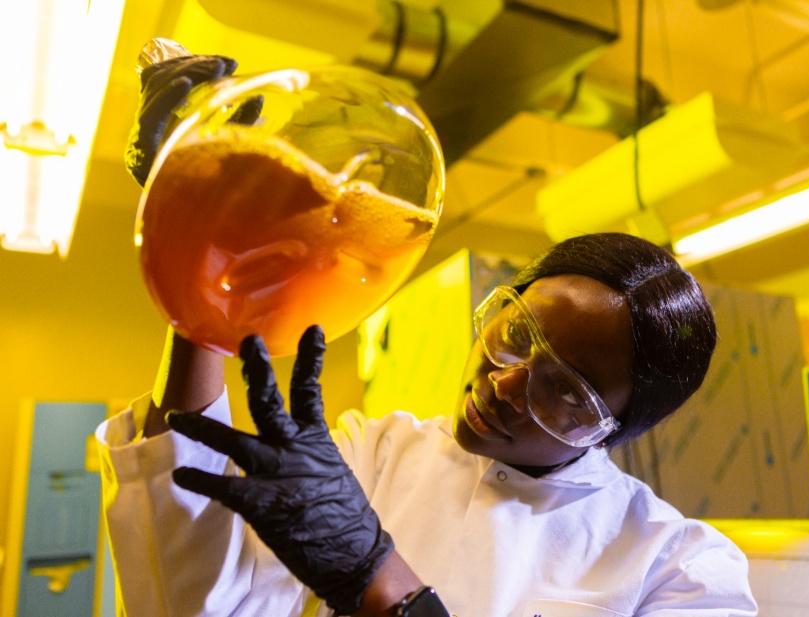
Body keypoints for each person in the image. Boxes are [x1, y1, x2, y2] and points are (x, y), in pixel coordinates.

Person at [96, 53, 758, 617]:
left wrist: (378, 577)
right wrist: (200, 254)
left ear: (611, 430)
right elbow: (189, 602)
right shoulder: (374, 452)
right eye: (516, 333)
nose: (503, 383)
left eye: (563, 390)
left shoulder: (679, 565)